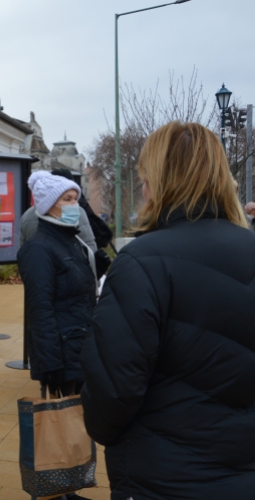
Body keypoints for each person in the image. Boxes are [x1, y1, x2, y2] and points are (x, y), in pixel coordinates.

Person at [81, 121, 255, 499]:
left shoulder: (142, 262)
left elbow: (111, 393)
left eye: (145, 178)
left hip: (163, 477)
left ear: (158, 182)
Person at [18, 171, 96, 399]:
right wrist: (49, 365)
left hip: (80, 348)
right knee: (68, 428)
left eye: (75, 199)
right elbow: (40, 309)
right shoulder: (38, 249)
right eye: (67, 199)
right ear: (49, 205)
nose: (74, 205)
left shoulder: (71, 241)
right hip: (63, 356)